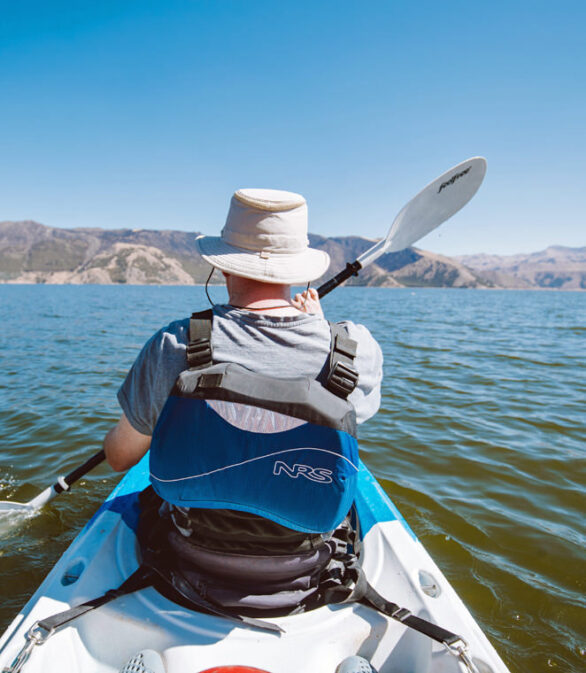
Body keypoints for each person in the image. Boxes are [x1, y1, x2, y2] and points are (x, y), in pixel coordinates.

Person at [104, 187, 383, 613]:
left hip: (190, 554)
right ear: (298, 269)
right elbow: (341, 425)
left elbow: (120, 458)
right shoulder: (354, 349)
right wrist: (319, 329)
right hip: (304, 564)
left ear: (221, 264)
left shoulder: (174, 344)